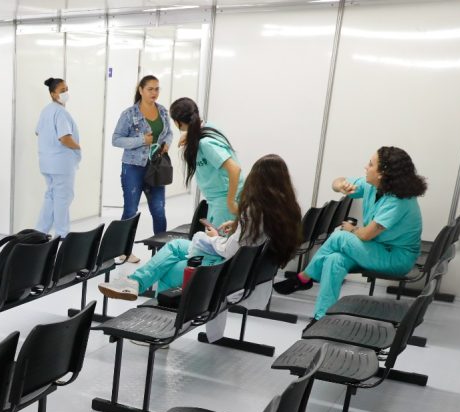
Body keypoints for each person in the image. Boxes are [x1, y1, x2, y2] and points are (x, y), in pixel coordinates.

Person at [97, 153, 302, 301]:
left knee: (169, 271)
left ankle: (153, 321)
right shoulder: (286, 209)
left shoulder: (253, 211)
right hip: (244, 268)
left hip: (223, 268)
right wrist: (237, 225)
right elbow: (252, 237)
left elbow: (229, 250)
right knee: (176, 245)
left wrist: (213, 237)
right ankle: (134, 283)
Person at [274, 147, 427, 320]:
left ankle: (304, 278)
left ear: (382, 173)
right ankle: (321, 318)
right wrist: (341, 185)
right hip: (376, 249)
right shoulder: (373, 186)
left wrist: (351, 229)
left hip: (396, 258)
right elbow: (337, 182)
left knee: (340, 236)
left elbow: (366, 235)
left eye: (371, 164)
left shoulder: (399, 201)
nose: (366, 167)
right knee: (334, 260)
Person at [111, 75, 173, 262]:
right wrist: (141, 140)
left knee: (159, 209)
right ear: (141, 90)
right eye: (150, 89)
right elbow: (116, 139)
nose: (154, 93)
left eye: (157, 89)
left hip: (156, 167)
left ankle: (162, 252)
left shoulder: (163, 111)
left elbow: (169, 133)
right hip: (133, 167)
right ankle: (124, 251)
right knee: (130, 210)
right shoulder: (129, 114)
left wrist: (166, 143)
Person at [169, 97, 244, 228]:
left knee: (217, 239)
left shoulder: (206, 144)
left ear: (177, 122)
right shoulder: (208, 127)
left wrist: (230, 202)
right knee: (213, 237)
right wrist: (188, 135)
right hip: (219, 199)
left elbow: (235, 169)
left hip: (224, 200)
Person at [34, 77, 81, 238]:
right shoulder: (61, 112)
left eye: (66, 89)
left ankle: (40, 232)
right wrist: (78, 146)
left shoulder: (46, 110)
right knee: (62, 198)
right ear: (53, 94)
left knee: (51, 196)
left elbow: (38, 131)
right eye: (62, 90)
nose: (66, 93)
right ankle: (62, 234)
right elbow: (64, 138)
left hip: (46, 162)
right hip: (61, 164)